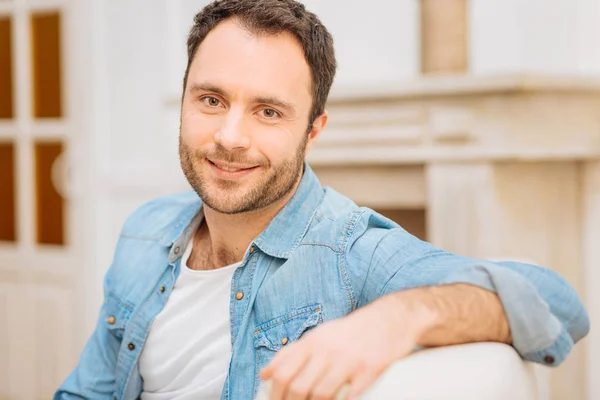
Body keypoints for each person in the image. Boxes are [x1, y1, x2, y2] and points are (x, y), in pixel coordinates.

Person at [55, 0, 590, 399]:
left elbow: (558, 304)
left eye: (269, 111)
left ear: (313, 131)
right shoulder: (146, 229)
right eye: (212, 100)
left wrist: (399, 317)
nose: (230, 137)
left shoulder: (349, 251)